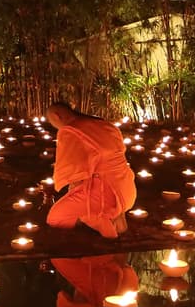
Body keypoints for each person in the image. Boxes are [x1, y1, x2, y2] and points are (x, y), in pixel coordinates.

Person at [45, 102, 136, 238]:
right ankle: (113, 215)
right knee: (75, 201)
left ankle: (107, 224)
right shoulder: (104, 124)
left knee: (56, 217)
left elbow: (73, 174)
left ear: (56, 116)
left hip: (106, 193)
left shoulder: (70, 130)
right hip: (127, 189)